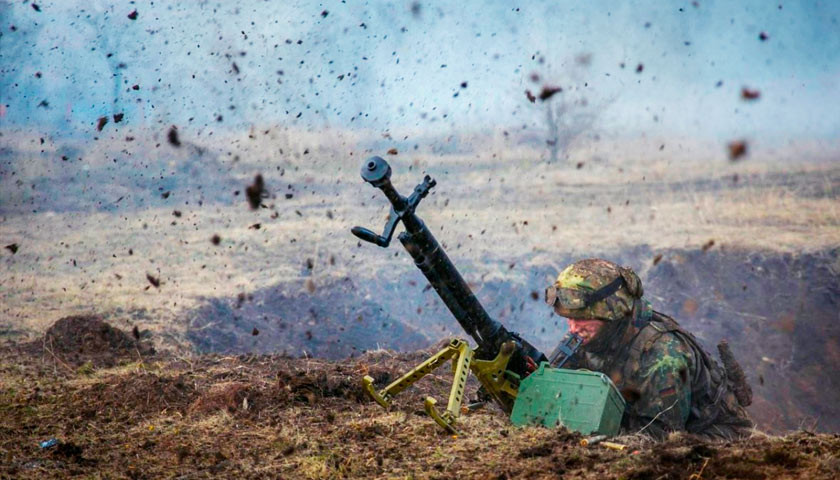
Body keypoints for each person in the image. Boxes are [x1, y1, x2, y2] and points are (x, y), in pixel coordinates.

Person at [544, 258, 754, 439]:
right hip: (633, 421)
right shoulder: (591, 334)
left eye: (582, 319)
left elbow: (661, 438)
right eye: (569, 318)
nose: (572, 328)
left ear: (613, 314)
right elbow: (555, 389)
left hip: (713, 438)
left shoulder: (663, 357)